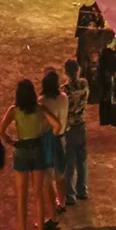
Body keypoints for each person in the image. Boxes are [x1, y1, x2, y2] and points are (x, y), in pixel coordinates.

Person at [0, 79, 61, 230]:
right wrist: (46, 137)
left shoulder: (14, 110)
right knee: (38, 195)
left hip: (21, 151)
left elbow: (1, 130)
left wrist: (11, 142)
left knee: (22, 197)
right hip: (37, 150)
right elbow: (57, 125)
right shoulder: (40, 108)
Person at [39, 68, 69, 215]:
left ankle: (51, 211)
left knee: (48, 176)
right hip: (62, 137)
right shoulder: (64, 97)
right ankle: (61, 202)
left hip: (48, 140)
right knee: (60, 174)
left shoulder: (42, 101)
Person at [62, 59, 89, 204]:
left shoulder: (64, 90)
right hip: (81, 125)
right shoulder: (84, 84)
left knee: (69, 163)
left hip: (69, 128)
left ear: (65, 72)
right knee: (82, 160)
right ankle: (82, 190)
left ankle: (70, 195)